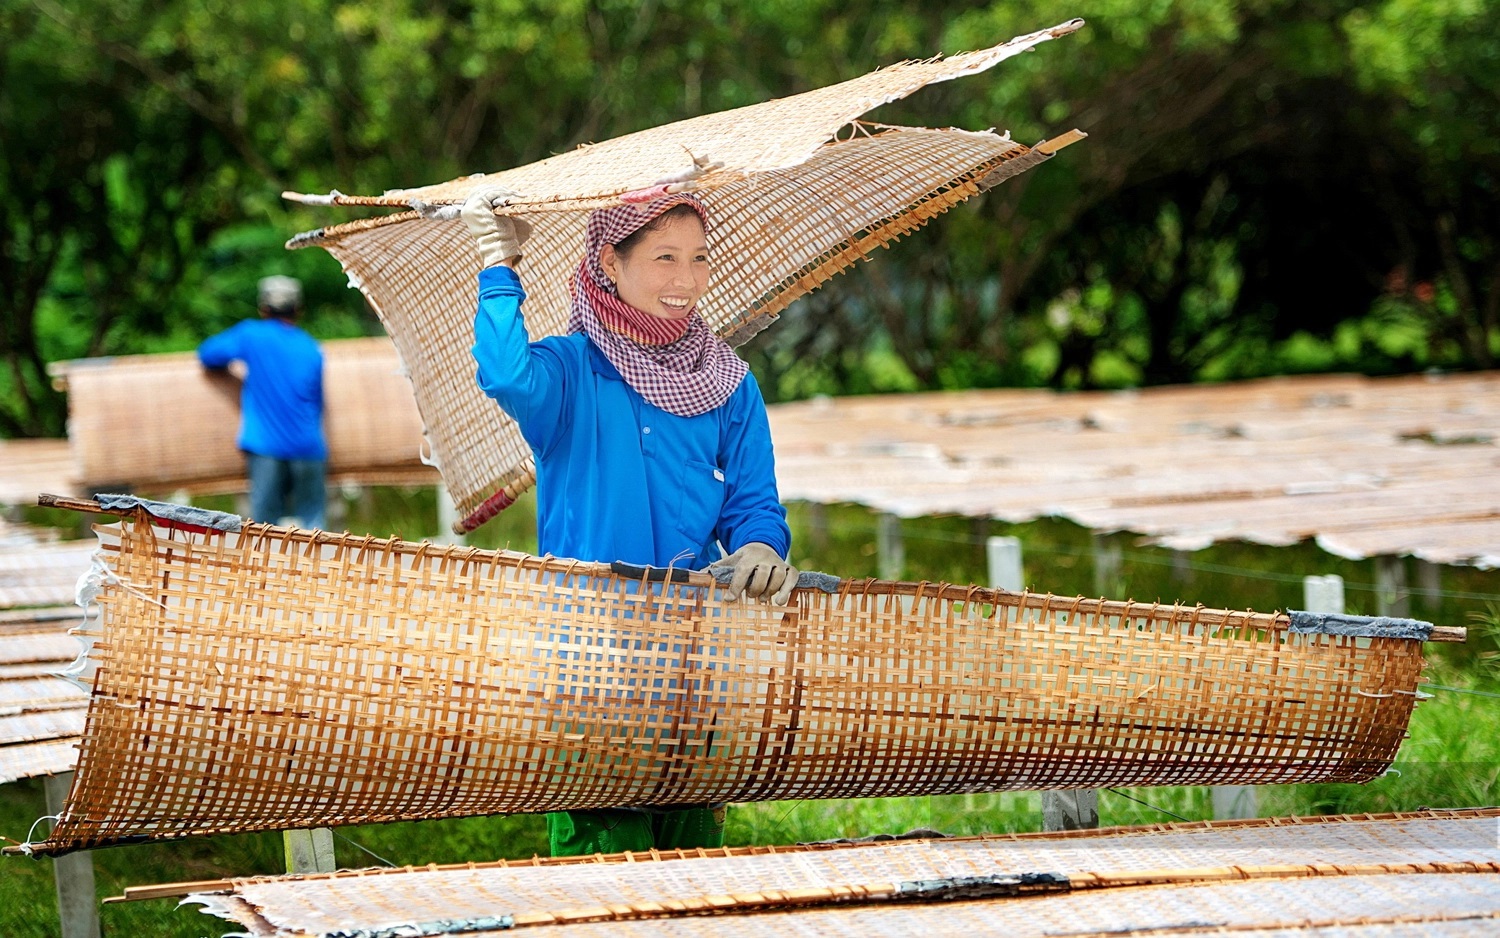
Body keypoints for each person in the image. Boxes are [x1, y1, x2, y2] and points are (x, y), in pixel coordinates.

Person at [463, 186, 798, 856]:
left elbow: (754, 501)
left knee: (695, 869)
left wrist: (761, 545)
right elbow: (502, 374)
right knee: (605, 877)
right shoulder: (567, 372)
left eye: (700, 258)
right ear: (610, 264)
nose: (687, 280)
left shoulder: (729, 382)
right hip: (590, 666)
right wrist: (498, 271)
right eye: (665, 257)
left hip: (697, 663)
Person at [198, 276, 328, 529]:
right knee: (315, 528)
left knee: (265, 531)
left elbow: (207, 354)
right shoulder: (311, 347)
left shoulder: (251, 335)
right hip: (309, 448)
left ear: (263, 308)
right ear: (298, 310)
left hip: (267, 448)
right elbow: (319, 404)